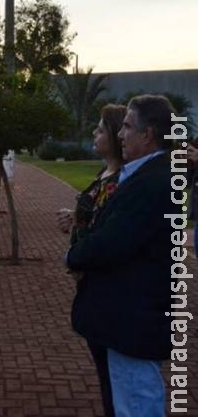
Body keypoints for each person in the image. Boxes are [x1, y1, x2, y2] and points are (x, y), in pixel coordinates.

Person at [66, 95, 177, 416]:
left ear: (148, 135)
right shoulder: (144, 175)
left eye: (127, 126)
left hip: (133, 321)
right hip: (124, 318)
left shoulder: (152, 182)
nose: (120, 134)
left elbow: (113, 240)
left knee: (134, 403)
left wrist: (72, 256)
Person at [55, 104, 126, 417]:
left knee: (116, 377)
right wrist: (75, 219)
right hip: (89, 283)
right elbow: (97, 214)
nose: (94, 134)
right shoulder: (105, 173)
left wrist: (78, 251)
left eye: (100, 129)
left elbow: (110, 231)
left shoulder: (123, 179)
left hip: (106, 286)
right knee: (104, 370)